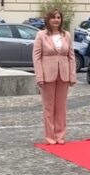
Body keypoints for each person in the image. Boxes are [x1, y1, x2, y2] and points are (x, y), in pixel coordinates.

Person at [33, 8, 76, 144]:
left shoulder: (66, 35)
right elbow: (36, 57)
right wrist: (39, 77)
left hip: (63, 75)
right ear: (48, 20)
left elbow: (71, 57)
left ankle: (60, 135)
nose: (56, 20)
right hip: (47, 75)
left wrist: (72, 75)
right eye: (53, 17)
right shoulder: (41, 35)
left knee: (61, 107)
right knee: (48, 107)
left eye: (58, 17)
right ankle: (50, 136)